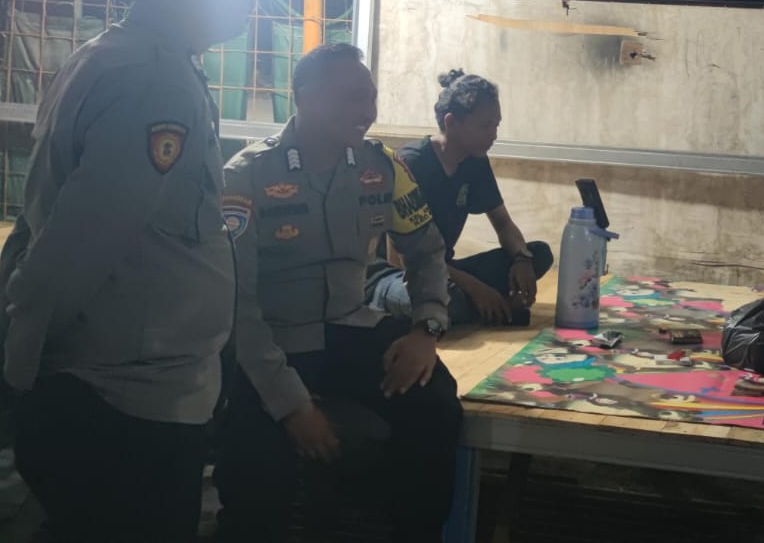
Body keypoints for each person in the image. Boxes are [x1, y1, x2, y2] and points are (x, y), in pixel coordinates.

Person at [0, 0, 253, 542]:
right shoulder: (152, 84)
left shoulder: (117, 59)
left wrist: (3, 356)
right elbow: (73, 247)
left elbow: (39, 227)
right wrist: (12, 373)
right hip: (122, 403)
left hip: (126, 393)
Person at [216, 43, 462, 543]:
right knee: (254, 474)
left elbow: (427, 250)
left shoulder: (383, 167)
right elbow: (235, 306)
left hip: (350, 327)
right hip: (273, 344)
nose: (367, 111)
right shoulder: (246, 176)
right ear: (305, 98)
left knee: (435, 399)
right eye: (351, 97)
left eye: (370, 96)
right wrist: (293, 406)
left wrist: (426, 329)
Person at [366, 70, 553, 327]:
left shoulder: (475, 161)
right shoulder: (411, 164)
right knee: (444, 300)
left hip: (444, 268)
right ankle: (491, 308)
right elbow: (398, 260)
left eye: (496, 125)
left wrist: (522, 259)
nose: (493, 134)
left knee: (540, 253)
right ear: (451, 122)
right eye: (485, 126)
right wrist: (475, 287)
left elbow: (502, 222)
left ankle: (487, 308)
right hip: (397, 276)